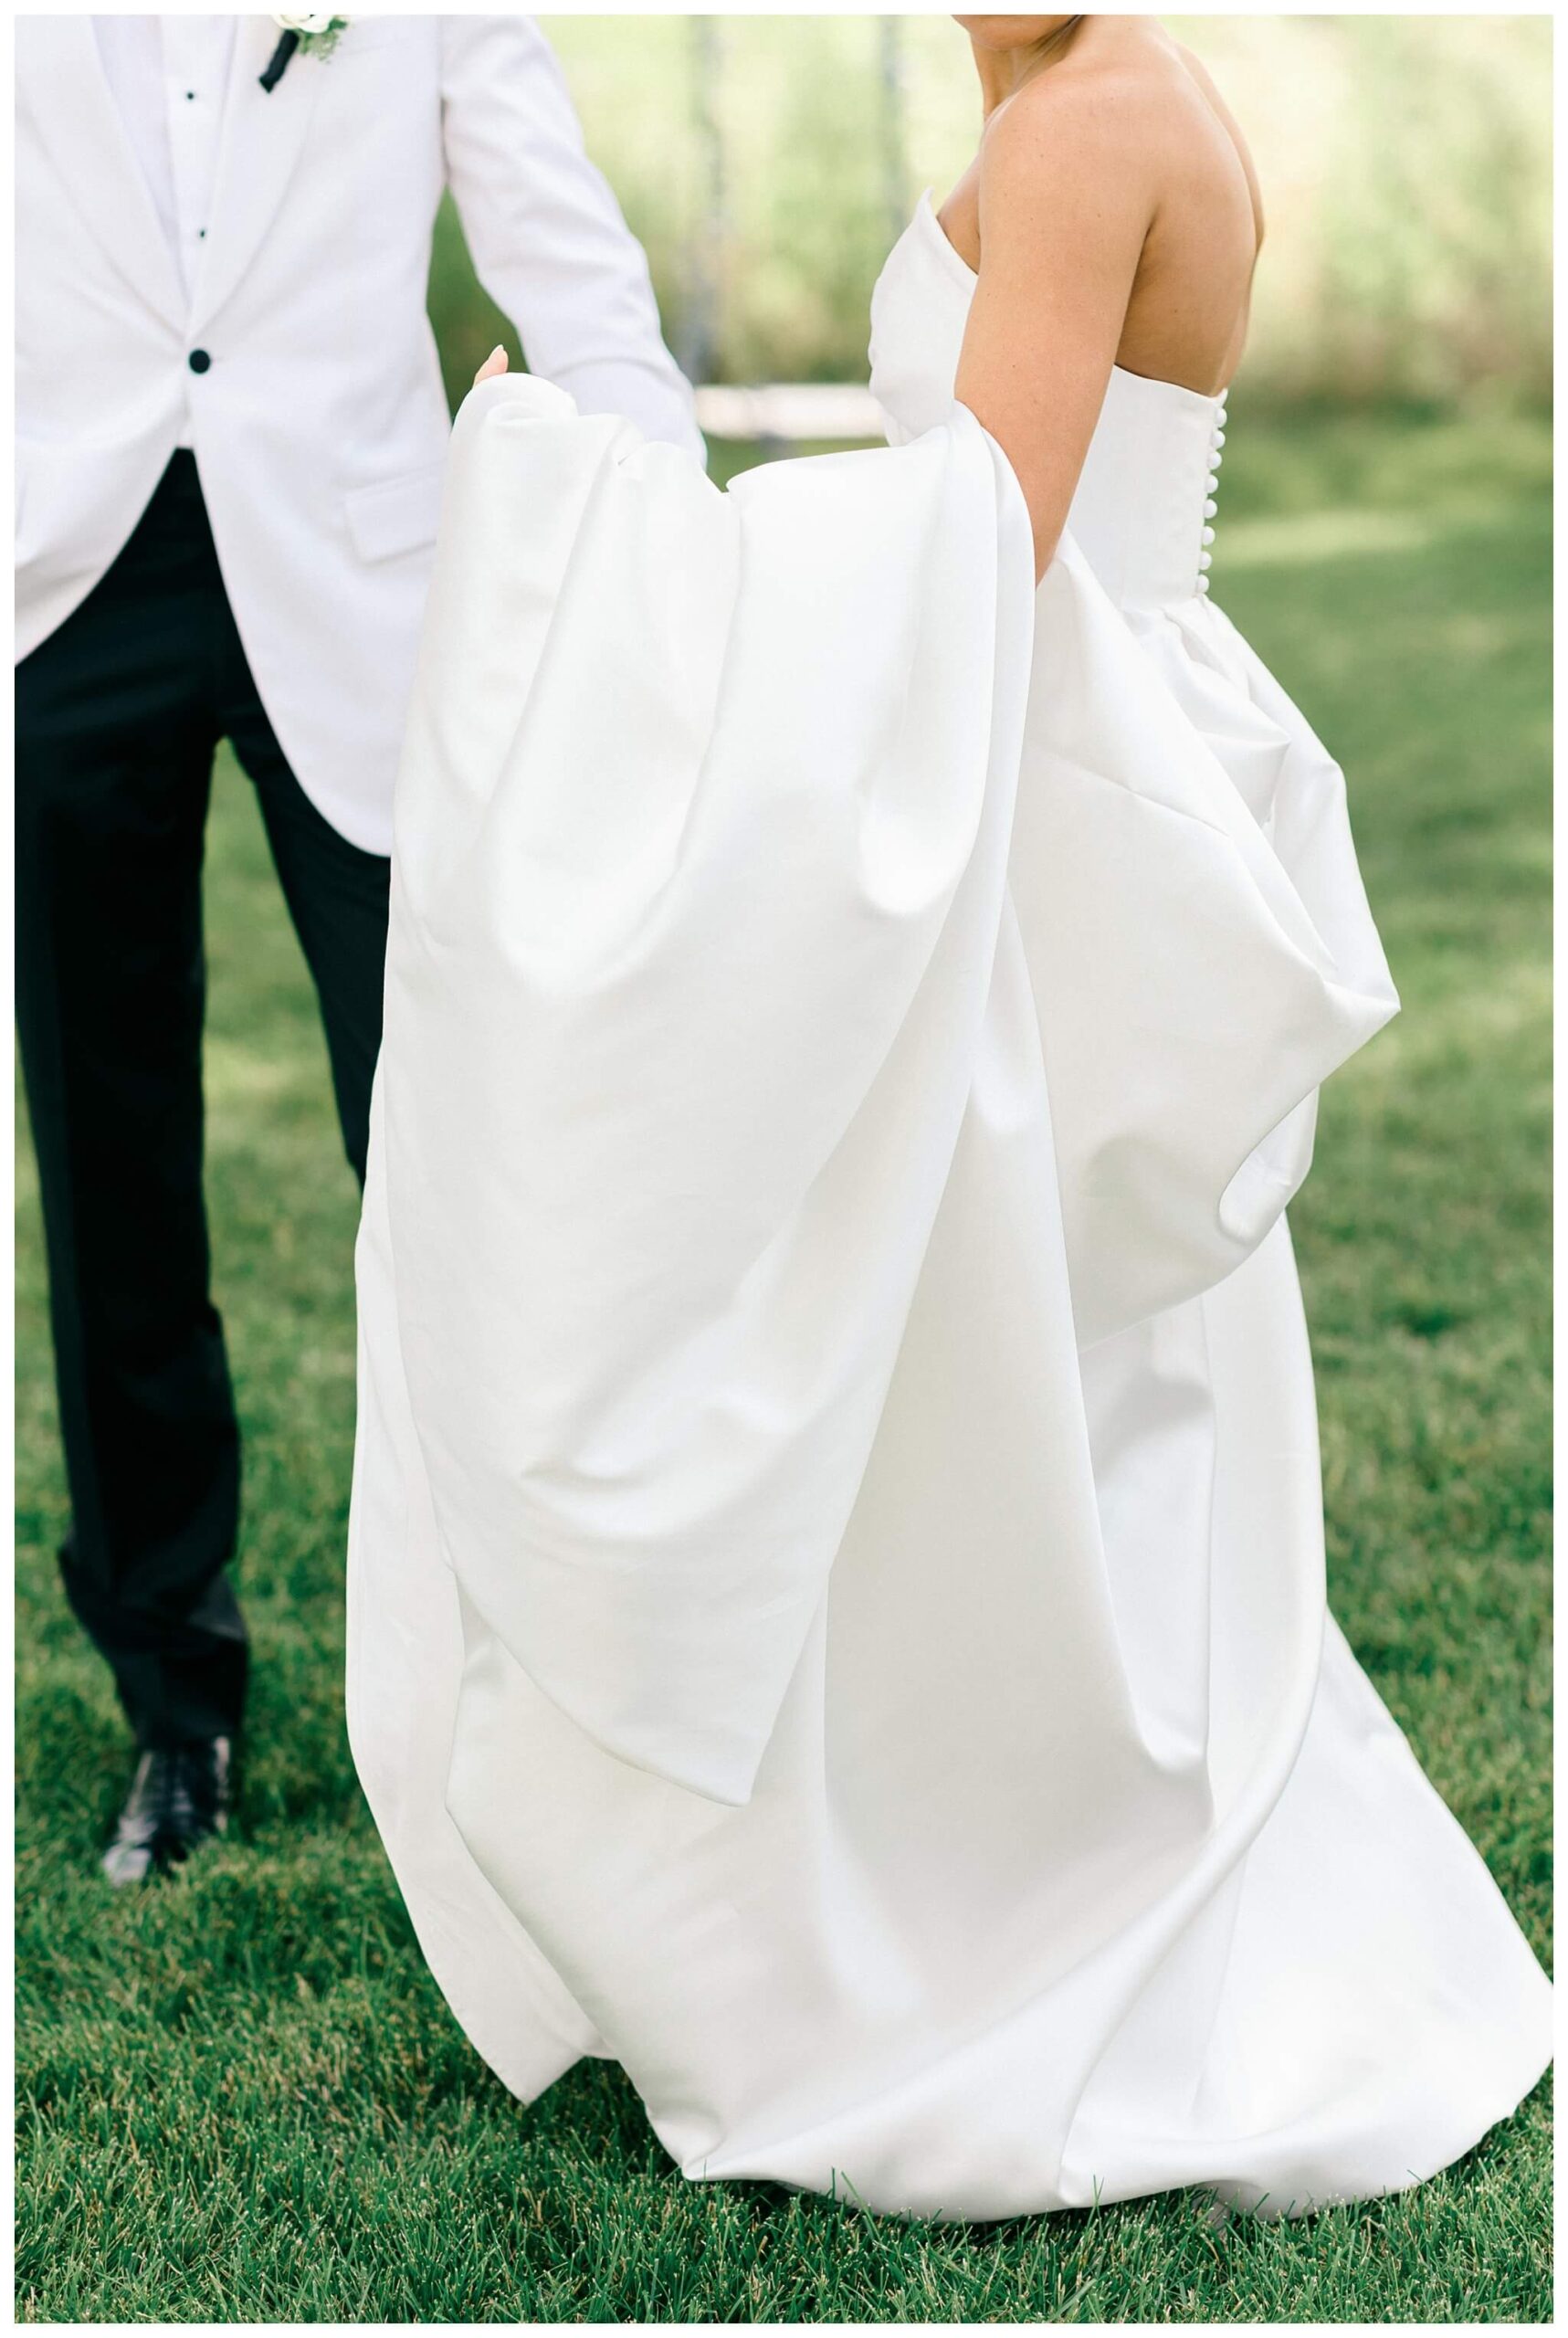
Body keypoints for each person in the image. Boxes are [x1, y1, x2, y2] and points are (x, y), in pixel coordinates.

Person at [347, 16, 1552, 2218]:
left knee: (1039, 1371)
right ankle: (1002, 1839)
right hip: (1048, 738)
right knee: (1058, 1391)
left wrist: (586, 524)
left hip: (1040, 783)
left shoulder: (1091, 127)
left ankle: (1028, 1900)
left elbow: (965, 551)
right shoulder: (1072, 97)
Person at [14, 13, 700, 1887]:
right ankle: (179, 1699)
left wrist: (672, 536)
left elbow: (556, 230)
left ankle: (544, 1675)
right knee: (109, 1165)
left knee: (459, 1145)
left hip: (366, 581)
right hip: (59, 589)